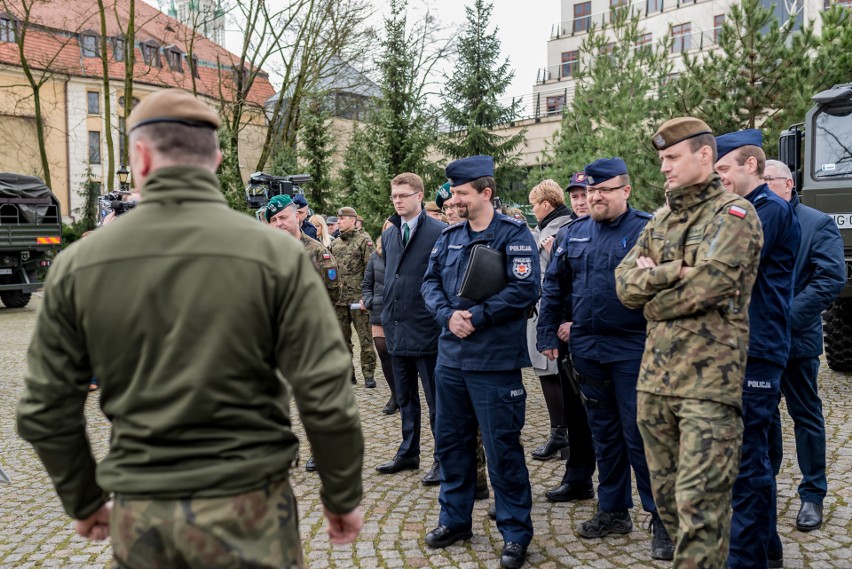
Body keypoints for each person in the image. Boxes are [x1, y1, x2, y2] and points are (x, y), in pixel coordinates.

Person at [16, 88, 364, 567]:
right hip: (254, 508)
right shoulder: (275, 254)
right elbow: (325, 390)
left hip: (144, 512)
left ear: (139, 155)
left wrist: (84, 500)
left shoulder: (81, 263)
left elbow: (45, 408)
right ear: (217, 158)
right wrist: (342, 495)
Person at [615, 117, 763, 568]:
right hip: (655, 384)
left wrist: (653, 298)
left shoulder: (735, 215)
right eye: (661, 159)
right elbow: (623, 285)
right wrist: (671, 271)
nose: (663, 168)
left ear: (704, 156)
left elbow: (711, 285)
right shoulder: (659, 220)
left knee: (701, 512)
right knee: (669, 509)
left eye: (672, 157)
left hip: (708, 389)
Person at [537, 159, 672, 560]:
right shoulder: (573, 233)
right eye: (591, 191)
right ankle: (613, 510)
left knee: (641, 437)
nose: (595, 197)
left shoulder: (648, 230)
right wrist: (548, 334)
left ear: (625, 191)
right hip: (588, 352)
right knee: (605, 436)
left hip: (635, 350)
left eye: (605, 190)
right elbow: (555, 286)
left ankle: (662, 520)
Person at [421, 155, 539, 569]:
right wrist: (447, 315)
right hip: (451, 359)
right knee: (452, 445)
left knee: (502, 449)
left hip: (494, 362)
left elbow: (526, 288)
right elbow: (430, 282)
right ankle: (455, 520)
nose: (453, 201)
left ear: (485, 193)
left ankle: (515, 532)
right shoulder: (450, 236)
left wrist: (477, 315)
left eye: (461, 194)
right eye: (452, 193)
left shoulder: (513, 235)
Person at [715, 130, 800, 569]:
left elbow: (724, 265)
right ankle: (767, 550)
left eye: (724, 168)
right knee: (753, 458)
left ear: (751, 165)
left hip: (757, 350)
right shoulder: (743, 210)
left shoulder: (770, 210)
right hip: (739, 349)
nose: (720, 176)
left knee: (747, 465)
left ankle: (745, 559)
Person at [764, 159, 844, 539]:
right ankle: (765, 484)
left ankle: (812, 494)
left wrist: (784, 316)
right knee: (764, 416)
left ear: (788, 184)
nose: (762, 186)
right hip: (759, 342)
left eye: (768, 180)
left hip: (796, 340)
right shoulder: (754, 219)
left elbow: (830, 277)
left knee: (806, 416)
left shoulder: (817, 222)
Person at [377, 173, 446, 486]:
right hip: (396, 328)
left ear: (420, 196)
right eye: (394, 196)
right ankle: (409, 451)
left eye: (404, 195)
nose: (398, 200)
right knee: (405, 398)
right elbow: (391, 277)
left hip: (427, 330)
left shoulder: (438, 232)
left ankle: (443, 459)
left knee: (436, 403)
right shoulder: (391, 235)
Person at [542, 171, 597, 505]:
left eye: (585, 194)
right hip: (568, 341)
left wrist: (577, 322)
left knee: (611, 421)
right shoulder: (565, 234)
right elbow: (553, 288)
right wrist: (553, 329)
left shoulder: (629, 228)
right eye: (574, 196)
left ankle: (619, 495)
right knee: (576, 415)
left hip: (604, 338)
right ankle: (578, 478)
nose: (580, 201)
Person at [526, 179, 574, 461]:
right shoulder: (544, 230)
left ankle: (562, 434)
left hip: (553, 311)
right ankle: (563, 435)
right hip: (544, 310)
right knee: (550, 373)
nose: (533, 210)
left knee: (553, 372)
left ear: (546, 205)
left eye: (534, 205)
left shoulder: (561, 230)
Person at [330, 207, 377, 387]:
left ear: (352, 220)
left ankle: (368, 374)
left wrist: (368, 296)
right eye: (338, 219)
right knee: (342, 340)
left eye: (342, 219)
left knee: (365, 339)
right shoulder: (335, 244)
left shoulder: (364, 241)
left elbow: (371, 271)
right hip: (340, 301)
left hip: (359, 300)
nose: (339, 222)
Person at [362, 219, 399, 415]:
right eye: (387, 230)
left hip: (400, 312)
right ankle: (395, 394)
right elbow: (366, 283)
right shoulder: (375, 256)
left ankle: (404, 392)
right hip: (379, 311)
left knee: (399, 355)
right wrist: (369, 301)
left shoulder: (404, 253)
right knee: (383, 352)